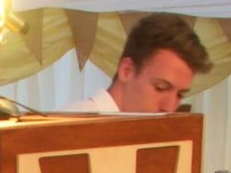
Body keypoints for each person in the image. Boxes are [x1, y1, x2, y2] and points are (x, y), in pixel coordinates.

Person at [62, 13, 212, 113]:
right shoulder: (67, 128)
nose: (169, 108)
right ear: (127, 70)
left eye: (179, 95)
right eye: (160, 88)